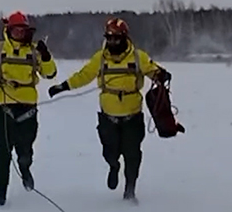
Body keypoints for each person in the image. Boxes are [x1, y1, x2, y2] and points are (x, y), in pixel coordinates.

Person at [47, 18, 170, 203]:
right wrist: (62, 87)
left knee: (133, 154)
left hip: (133, 116)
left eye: (116, 38)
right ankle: (113, 166)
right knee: (109, 152)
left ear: (125, 38)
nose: (112, 42)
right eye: (109, 38)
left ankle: (130, 191)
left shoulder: (138, 57)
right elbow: (84, 75)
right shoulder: (100, 58)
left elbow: (153, 71)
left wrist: (161, 74)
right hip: (108, 118)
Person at [0, 11, 57, 207]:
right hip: (3, 108)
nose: (20, 33)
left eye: (23, 30)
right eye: (16, 29)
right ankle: (0, 194)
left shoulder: (35, 51)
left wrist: (46, 56)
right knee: (2, 151)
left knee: (25, 148)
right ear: (9, 30)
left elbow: (50, 74)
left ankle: (25, 168)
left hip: (28, 109)